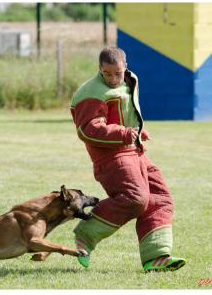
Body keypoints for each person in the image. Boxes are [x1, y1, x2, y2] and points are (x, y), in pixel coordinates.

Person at [70, 46, 186, 272]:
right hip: (112, 158)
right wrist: (125, 134)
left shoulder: (130, 81)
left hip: (136, 151)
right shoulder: (91, 93)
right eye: (107, 73)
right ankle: (85, 235)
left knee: (160, 198)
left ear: (126, 67)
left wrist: (137, 132)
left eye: (118, 73)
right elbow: (87, 130)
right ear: (99, 69)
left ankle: (156, 257)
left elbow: (125, 114)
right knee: (136, 198)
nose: (113, 79)